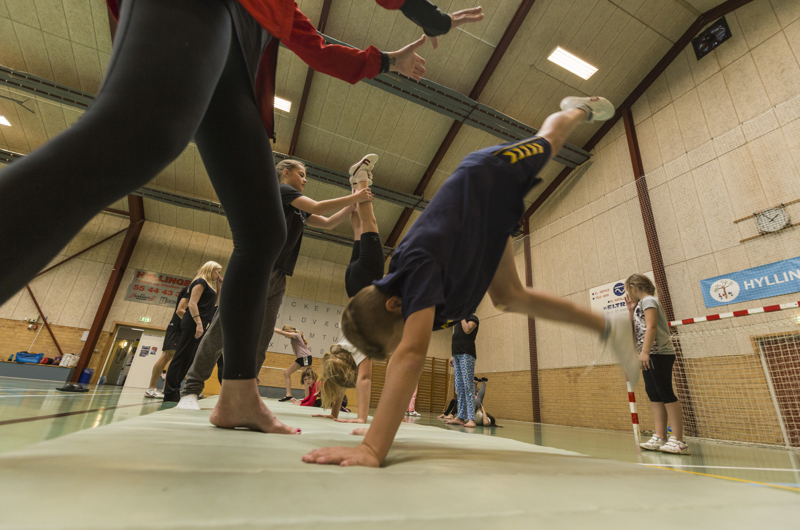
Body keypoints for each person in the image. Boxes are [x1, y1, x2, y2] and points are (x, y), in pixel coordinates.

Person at [0, 0, 483, 436]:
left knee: (262, 229)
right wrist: (426, 13)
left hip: (234, 63)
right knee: (135, 137)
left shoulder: (281, 9)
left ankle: (237, 395)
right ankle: (207, 386)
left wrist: (388, 61)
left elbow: (317, 49)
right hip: (204, 16)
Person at [303, 96, 639, 467]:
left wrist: (372, 446)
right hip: (486, 226)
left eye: (396, 337)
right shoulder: (411, 286)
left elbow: (411, 356)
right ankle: (609, 326)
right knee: (509, 297)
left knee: (551, 139)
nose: (406, 341)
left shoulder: (415, 270)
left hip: (488, 175)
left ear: (394, 305)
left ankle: (578, 109)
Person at [177, 158, 372, 410]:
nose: (305, 179)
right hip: (256, 268)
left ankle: (242, 392)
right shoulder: (281, 191)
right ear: (286, 173)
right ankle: (191, 390)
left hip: (278, 277)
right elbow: (320, 207)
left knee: (261, 337)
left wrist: (353, 204)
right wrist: (354, 196)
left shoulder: (299, 208)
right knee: (222, 331)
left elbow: (327, 222)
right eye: (301, 174)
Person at [625, 274, 689, 455]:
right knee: (654, 393)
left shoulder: (649, 301)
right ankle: (660, 436)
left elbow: (651, 327)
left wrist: (645, 351)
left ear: (633, 287)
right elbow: (639, 328)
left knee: (665, 392)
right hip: (648, 354)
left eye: (628, 289)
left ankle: (679, 440)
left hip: (658, 354)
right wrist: (631, 310)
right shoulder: (640, 305)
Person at [163, 262, 222, 402]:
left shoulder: (210, 286)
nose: (219, 275)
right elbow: (192, 304)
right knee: (181, 355)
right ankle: (170, 392)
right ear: (210, 270)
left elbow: (214, 304)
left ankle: (176, 389)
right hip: (193, 322)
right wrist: (199, 324)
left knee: (189, 358)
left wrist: (219, 286)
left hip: (201, 323)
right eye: (217, 272)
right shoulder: (200, 282)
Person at [145, 286, 190, 399]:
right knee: (168, 355)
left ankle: (167, 390)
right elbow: (180, 310)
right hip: (176, 326)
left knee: (178, 358)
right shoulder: (190, 289)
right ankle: (151, 388)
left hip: (185, 328)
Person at [315, 339, 372, 423]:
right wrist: (334, 414)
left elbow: (365, 378)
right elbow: (341, 381)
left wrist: (362, 418)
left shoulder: (360, 347)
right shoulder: (344, 350)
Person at [446, 315, 479, 426]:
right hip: (457, 355)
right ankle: (460, 417)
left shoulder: (473, 319)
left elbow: (467, 330)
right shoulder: (458, 323)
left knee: (468, 387)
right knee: (459, 388)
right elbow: (457, 338)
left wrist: (462, 317)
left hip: (467, 355)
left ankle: (471, 419)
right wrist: (452, 355)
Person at [275, 326, 313, 402]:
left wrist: (272, 327)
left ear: (289, 331)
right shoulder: (293, 338)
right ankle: (288, 395)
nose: (286, 337)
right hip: (300, 358)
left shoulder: (296, 335)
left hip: (305, 357)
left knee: (306, 378)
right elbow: (283, 333)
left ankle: (308, 398)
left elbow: (281, 332)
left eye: (286, 334)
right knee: (286, 373)